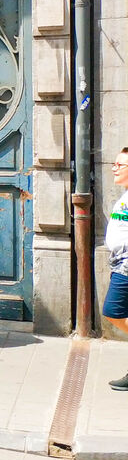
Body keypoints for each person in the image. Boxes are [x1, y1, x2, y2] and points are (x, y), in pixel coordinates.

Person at [103, 148, 128, 390]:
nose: (114, 168)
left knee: (112, 311)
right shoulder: (125, 196)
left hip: (126, 267)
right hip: (120, 263)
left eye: (120, 165)